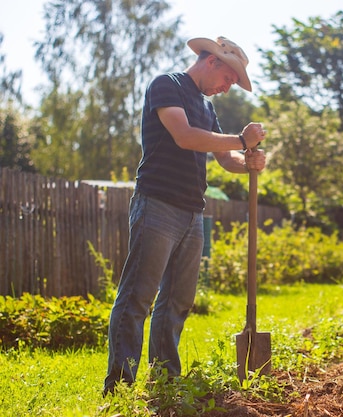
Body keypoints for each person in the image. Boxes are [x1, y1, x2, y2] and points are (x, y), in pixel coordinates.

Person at [104, 36, 266, 394]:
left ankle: (164, 379)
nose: (228, 88)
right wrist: (240, 140)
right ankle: (120, 387)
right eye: (228, 79)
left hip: (193, 212)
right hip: (157, 204)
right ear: (211, 62)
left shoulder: (207, 108)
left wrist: (249, 161)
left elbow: (225, 158)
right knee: (137, 298)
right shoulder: (167, 85)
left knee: (177, 300)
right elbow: (185, 137)